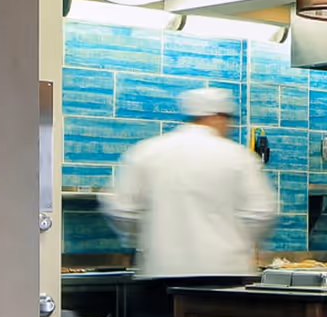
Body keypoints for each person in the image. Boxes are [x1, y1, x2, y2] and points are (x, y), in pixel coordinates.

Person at [100, 86, 277, 278]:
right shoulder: (238, 157)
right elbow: (262, 212)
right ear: (217, 116)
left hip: (162, 271)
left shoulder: (146, 152)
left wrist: (146, 235)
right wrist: (238, 240)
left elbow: (119, 207)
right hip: (224, 271)